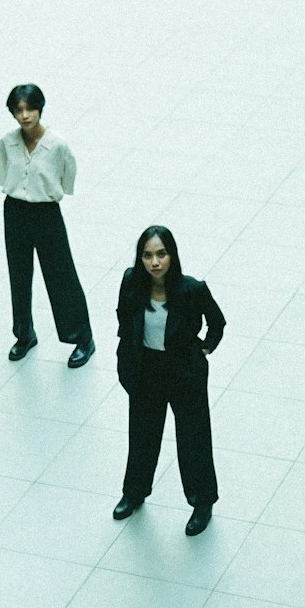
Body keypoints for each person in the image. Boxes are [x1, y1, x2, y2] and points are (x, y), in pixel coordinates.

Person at [113, 225, 225, 536]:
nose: (155, 262)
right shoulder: (131, 284)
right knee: (142, 434)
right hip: (146, 369)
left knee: (193, 439)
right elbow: (124, 319)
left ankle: (202, 501)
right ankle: (134, 492)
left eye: (161, 254)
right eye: (147, 255)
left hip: (182, 372)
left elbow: (217, 322)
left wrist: (203, 348)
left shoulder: (191, 290)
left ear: (172, 255)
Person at [0, 84, 95, 367]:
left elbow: (67, 178)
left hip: (46, 212)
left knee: (61, 275)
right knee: (18, 274)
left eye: (30, 109)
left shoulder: (58, 144)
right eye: (19, 110)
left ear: (40, 108)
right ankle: (24, 334)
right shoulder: (7, 141)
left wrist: (47, 193)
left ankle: (82, 338)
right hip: (15, 210)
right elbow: (5, 176)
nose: (25, 115)